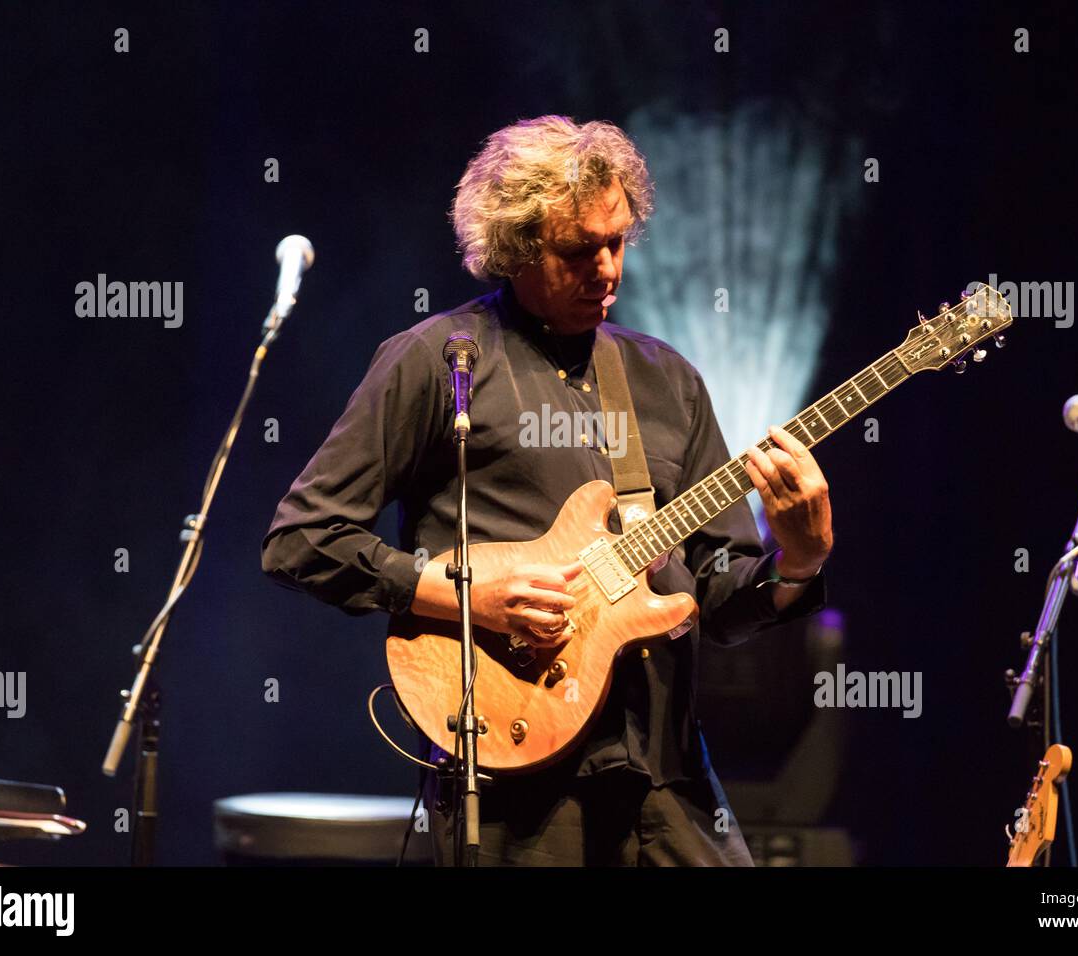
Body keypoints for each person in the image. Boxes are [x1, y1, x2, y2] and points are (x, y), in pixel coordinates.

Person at [261, 115, 833, 866]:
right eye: (577, 250)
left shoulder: (668, 383)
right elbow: (300, 541)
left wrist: (798, 563)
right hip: (514, 781)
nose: (608, 270)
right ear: (515, 247)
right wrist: (463, 593)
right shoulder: (436, 362)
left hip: (667, 777)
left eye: (618, 241)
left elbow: (718, 607)